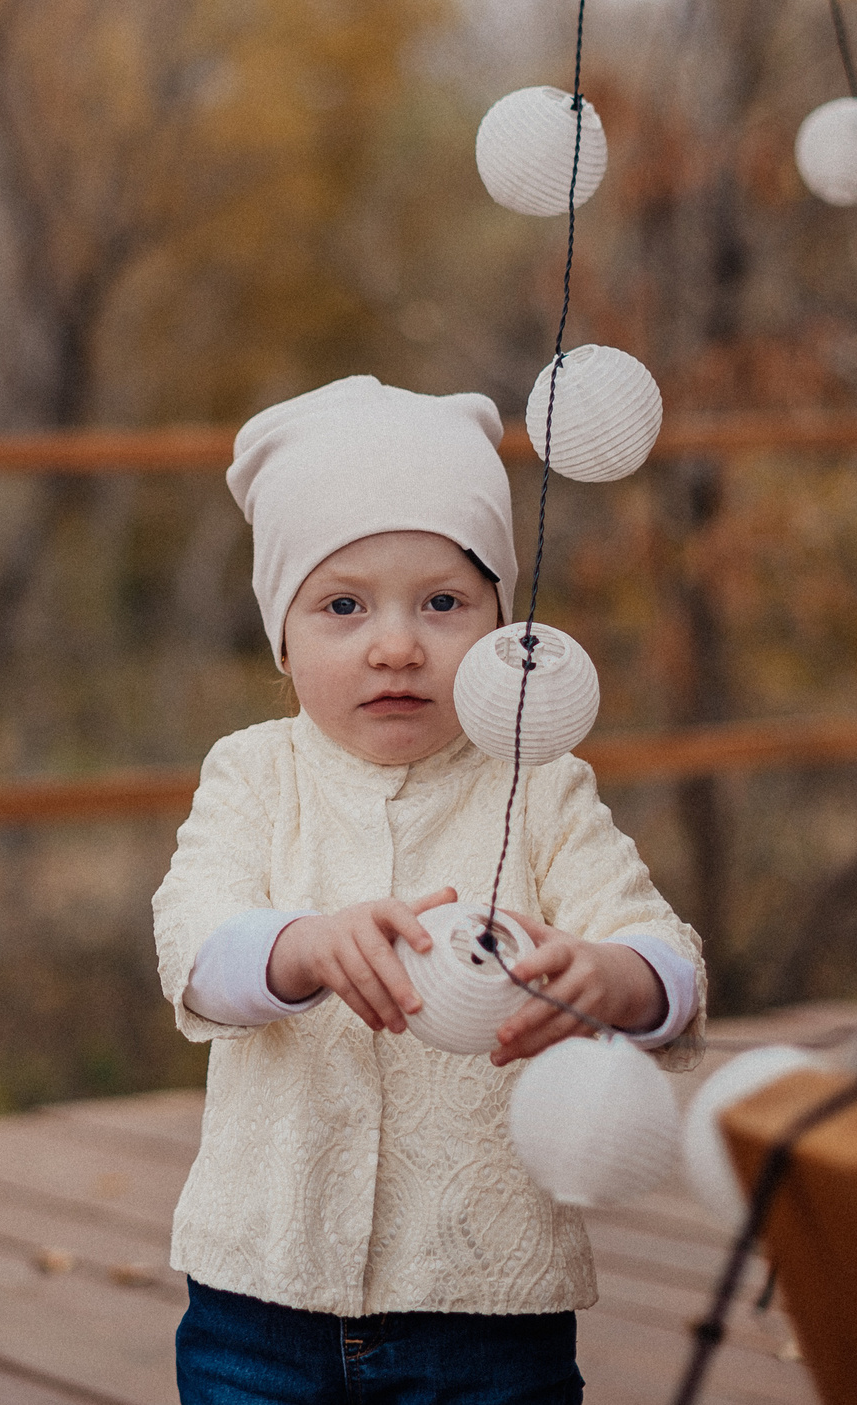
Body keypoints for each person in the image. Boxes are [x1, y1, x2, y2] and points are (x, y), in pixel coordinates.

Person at [151, 376, 706, 1405]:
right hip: (259, 1298)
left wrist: (612, 976)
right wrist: (300, 946)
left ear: (501, 622)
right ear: (282, 635)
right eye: (343, 605)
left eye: (443, 602)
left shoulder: (538, 782)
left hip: (486, 1306)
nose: (397, 644)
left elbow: (665, 953)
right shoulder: (255, 774)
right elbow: (192, 940)